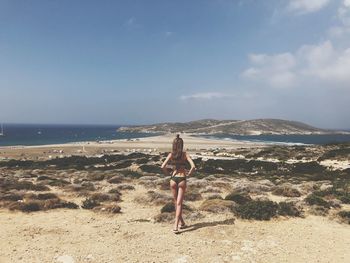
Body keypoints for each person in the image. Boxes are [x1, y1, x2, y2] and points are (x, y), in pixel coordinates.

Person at [161, 134, 196, 234]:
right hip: (182, 179)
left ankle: (182, 222)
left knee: (176, 202)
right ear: (182, 145)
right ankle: (176, 225)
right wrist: (189, 173)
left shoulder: (171, 154)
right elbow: (193, 166)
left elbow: (162, 166)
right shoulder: (185, 154)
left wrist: (168, 173)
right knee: (179, 203)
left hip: (173, 179)